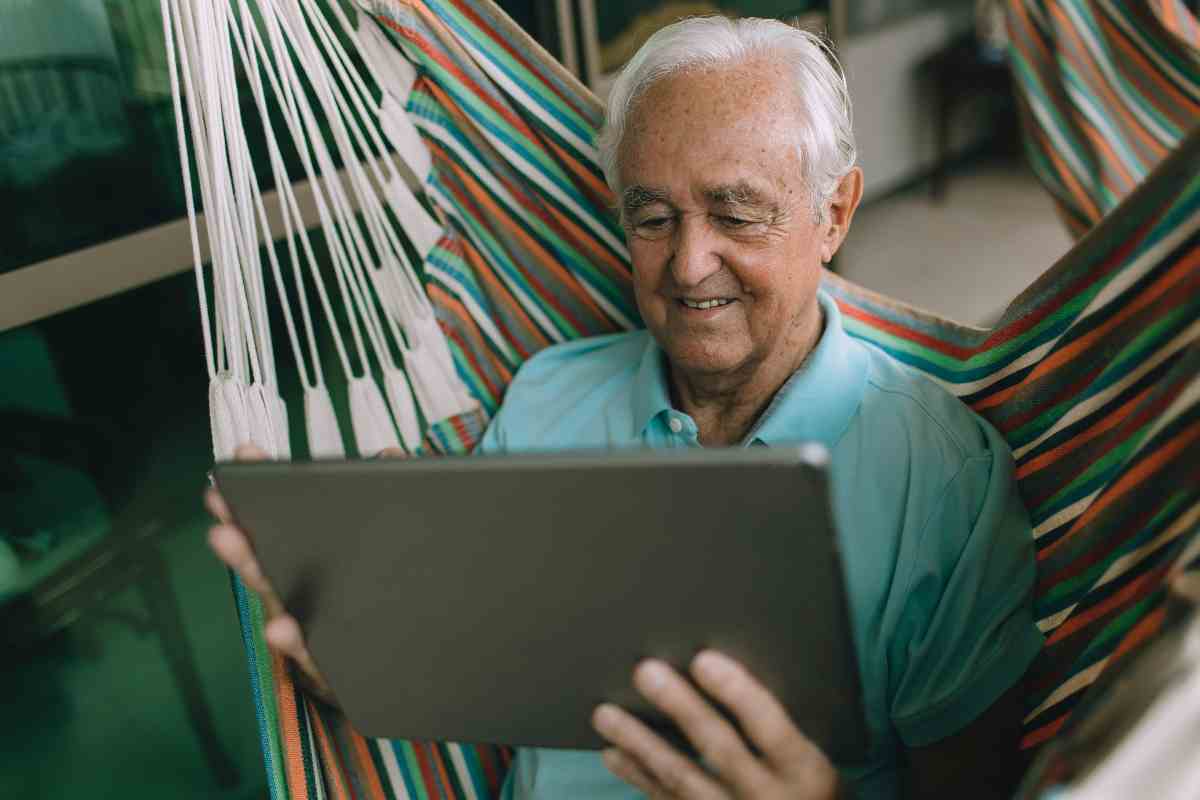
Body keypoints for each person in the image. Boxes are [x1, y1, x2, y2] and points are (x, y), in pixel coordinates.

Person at [207, 16, 1043, 799]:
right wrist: (354, 652)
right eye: (651, 217)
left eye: (735, 212)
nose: (687, 264)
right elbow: (471, 672)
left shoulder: (940, 478)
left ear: (833, 213)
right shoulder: (547, 399)